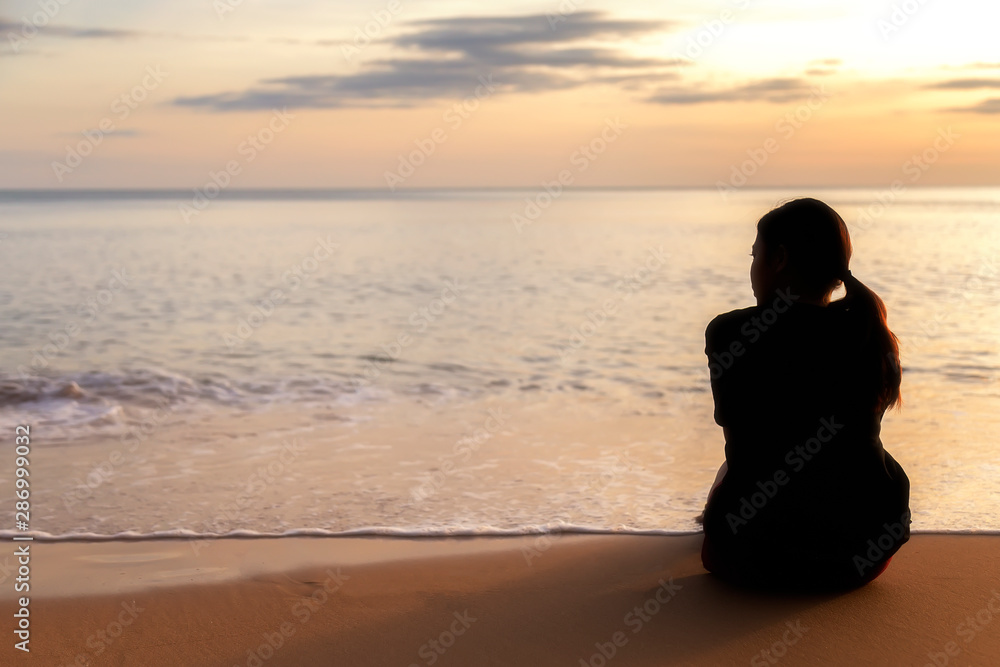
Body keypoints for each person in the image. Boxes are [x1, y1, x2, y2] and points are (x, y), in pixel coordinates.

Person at [700, 198, 910, 591]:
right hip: (860, 558)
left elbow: (732, 420)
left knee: (733, 468)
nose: (752, 267)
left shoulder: (729, 332)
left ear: (778, 259)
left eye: (755, 254)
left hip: (750, 557)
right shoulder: (870, 333)